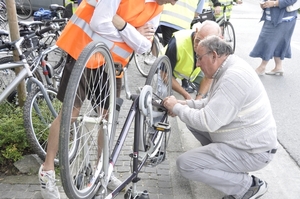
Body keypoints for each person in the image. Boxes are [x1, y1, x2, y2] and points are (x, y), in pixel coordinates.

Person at [38, 0, 177, 199]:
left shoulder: (157, 8)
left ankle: (102, 171)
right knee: (70, 114)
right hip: (83, 52)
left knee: (107, 118)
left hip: (112, 64)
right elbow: (98, 24)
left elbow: (143, 46)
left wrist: (123, 26)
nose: (172, 3)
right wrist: (133, 32)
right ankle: (47, 171)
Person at [163, 35, 278, 199]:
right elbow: (209, 103)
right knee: (190, 120)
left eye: (199, 58)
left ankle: (248, 186)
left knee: (186, 165)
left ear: (214, 55)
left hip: (254, 151)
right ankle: (225, 167)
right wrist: (182, 105)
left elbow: (207, 121)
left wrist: (176, 107)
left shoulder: (233, 77)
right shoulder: (227, 67)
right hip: (246, 142)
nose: (197, 63)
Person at [164, 20, 222, 100]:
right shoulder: (177, 43)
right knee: (164, 100)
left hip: (192, 72)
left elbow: (209, 77)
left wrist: (199, 98)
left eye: (204, 44)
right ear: (197, 31)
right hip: (168, 69)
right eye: (198, 40)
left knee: (204, 97)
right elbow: (164, 75)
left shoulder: (215, 48)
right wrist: (185, 95)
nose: (198, 46)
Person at [250, 0, 298, 76]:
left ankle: (262, 67)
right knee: (279, 42)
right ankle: (278, 67)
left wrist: (274, 3)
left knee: (267, 40)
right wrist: (264, 4)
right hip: (277, 18)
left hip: (282, 18)